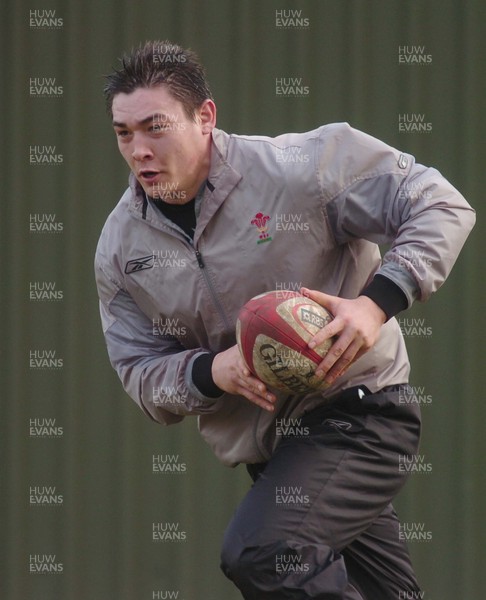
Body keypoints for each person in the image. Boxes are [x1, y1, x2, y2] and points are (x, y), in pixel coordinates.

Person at [95, 40, 475, 599]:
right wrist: (210, 372)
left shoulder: (301, 169)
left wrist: (375, 305)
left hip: (362, 413)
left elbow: (439, 203)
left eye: (155, 127)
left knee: (267, 552)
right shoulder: (120, 248)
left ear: (205, 117)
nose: (139, 150)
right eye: (124, 133)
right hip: (279, 454)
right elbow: (139, 371)